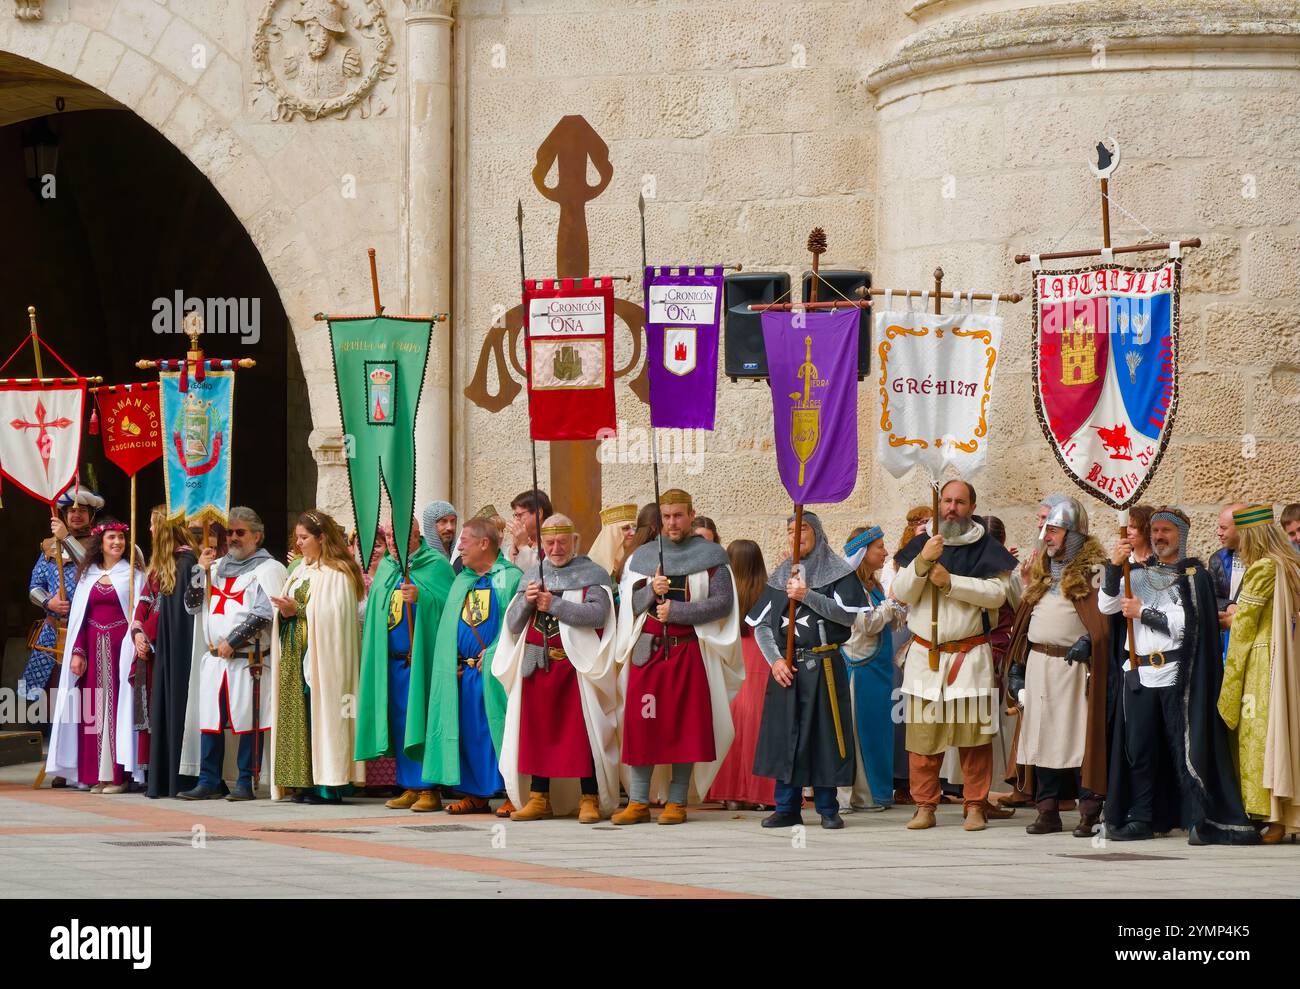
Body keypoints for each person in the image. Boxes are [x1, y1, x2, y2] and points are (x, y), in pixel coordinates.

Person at [1099, 507, 1258, 845]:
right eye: (1154, 531)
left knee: (1183, 750)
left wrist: (1143, 612)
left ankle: (1196, 818)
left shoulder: (1192, 577)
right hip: (1138, 673)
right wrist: (1115, 567)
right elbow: (1107, 606)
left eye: (1166, 531)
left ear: (1181, 535)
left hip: (1175, 673)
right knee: (1139, 750)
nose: (1159, 537)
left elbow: (1187, 626)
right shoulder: (1137, 573)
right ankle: (1141, 817)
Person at [613, 488, 743, 825]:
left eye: (678, 515)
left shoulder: (712, 556)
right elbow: (625, 604)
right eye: (667, 516)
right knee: (643, 724)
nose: (672, 522)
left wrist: (679, 610)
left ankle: (676, 801)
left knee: (686, 727)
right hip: (648, 653)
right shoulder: (641, 557)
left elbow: (722, 603)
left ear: (690, 514)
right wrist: (647, 593)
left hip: (687, 652)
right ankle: (639, 801)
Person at [893, 480, 1016, 832]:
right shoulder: (922, 545)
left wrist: (950, 582)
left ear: (972, 507)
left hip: (968, 656)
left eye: (959, 502)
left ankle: (975, 805)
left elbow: (996, 595)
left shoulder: (986, 547)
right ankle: (925, 806)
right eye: (946, 500)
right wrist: (921, 562)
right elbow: (902, 592)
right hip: (925, 658)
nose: (951, 508)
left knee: (974, 739)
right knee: (922, 740)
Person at [494, 514, 619, 823]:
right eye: (549, 542)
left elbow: (598, 614)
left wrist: (556, 605)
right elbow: (512, 624)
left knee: (582, 733)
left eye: (562, 541)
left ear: (573, 541)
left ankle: (588, 796)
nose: (556, 548)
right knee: (537, 733)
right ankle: (539, 797)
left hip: (574, 668)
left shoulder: (592, 574)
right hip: (536, 667)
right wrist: (527, 602)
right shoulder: (532, 576)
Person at [1003, 498, 1110, 836]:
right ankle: (1047, 811)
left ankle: (1089, 812)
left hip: (1074, 669)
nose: (1046, 535)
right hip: (1039, 666)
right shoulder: (1043, 574)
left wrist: (1090, 642)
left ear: (1073, 534)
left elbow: (1106, 621)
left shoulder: (1095, 574)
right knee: (1041, 738)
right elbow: (1024, 621)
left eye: (1054, 529)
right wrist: (1018, 665)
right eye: (1046, 528)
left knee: (1080, 740)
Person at [752, 513, 864, 830]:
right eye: (789, 530)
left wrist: (807, 596)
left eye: (802, 528)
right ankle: (786, 806)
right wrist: (775, 661)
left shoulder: (838, 572)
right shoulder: (779, 575)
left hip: (825, 666)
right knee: (787, 736)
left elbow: (848, 617)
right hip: (787, 670)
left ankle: (828, 808)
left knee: (825, 737)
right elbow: (761, 625)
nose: (795, 535)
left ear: (817, 533)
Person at [177, 508, 288, 801]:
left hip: (247, 660)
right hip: (215, 660)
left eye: (241, 532)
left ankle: (245, 780)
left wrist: (234, 641)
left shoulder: (269, 569)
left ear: (257, 536)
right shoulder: (214, 567)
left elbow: (264, 614)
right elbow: (191, 605)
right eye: (230, 532)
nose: (233, 538)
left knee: (247, 721)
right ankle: (209, 780)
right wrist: (199, 572)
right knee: (211, 720)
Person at [419, 517, 523, 816]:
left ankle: (512, 793)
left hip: (495, 671)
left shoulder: (510, 577)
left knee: (498, 731)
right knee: (468, 732)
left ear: (484, 543)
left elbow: (514, 625)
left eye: (465, 540)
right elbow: (449, 625)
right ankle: (476, 794)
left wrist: (492, 654)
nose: (459, 546)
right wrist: (449, 660)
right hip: (464, 673)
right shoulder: (462, 580)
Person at [356, 517, 455, 813]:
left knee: (422, 721)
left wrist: (423, 598)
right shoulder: (387, 568)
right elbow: (376, 613)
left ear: (416, 536)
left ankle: (430, 788)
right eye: (388, 540)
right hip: (393, 662)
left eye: (399, 538)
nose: (393, 547)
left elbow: (451, 609)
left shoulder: (435, 565)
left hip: (420, 660)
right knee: (400, 722)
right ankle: (409, 785)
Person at [269, 510, 364, 804]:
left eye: (304, 537)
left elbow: (335, 617)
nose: (299, 544)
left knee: (325, 716)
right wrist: (284, 611)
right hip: (296, 655)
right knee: (300, 718)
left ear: (322, 538)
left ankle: (329, 785)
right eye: (296, 538)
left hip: (325, 660)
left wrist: (296, 609)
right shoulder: (300, 571)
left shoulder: (338, 575)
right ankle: (304, 782)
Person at [1217, 505, 1300, 842]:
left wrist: (1227, 620)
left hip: (1262, 663)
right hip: (1287, 658)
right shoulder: (1291, 565)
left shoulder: (1263, 568)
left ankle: (1270, 816)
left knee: (1258, 740)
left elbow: (1245, 627)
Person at [44, 518, 146, 792]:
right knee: (92, 712)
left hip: (120, 652)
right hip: (90, 651)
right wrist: (77, 651)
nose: (117, 543)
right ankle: (93, 775)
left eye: (121, 538)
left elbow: (139, 615)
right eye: (111, 538)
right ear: (100, 543)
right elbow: (81, 617)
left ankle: (116, 776)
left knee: (117, 712)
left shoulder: (134, 575)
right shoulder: (87, 576)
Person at [22, 486, 103, 759]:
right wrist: (48, 602)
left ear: (92, 515)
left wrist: (67, 538)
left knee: (87, 696)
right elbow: (34, 587)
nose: (76, 514)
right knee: (42, 694)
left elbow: (89, 569)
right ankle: (54, 756)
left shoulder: (100, 544)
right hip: (54, 629)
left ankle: (84, 755)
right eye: (71, 510)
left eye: (82, 510)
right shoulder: (49, 546)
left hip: (87, 630)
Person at [838, 525, 907, 813]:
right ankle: (859, 796)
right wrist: (892, 605)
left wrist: (894, 609)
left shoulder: (873, 586)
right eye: (880, 546)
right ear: (864, 552)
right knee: (860, 732)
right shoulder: (849, 586)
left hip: (877, 670)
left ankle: (877, 793)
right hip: (860, 669)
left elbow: (886, 620)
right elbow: (865, 624)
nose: (886, 551)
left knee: (878, 732)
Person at [131, 507, 200, 798]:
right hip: (160, 649)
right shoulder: (165, 565)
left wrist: (148, 632)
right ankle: (161, 777)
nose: (149, 530)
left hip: (177, 653)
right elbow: (151, 602)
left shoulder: (186, 564)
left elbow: (180, 614)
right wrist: (138, 631)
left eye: (152, 525)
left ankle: (177, 777)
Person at [706, 539, 777, 810]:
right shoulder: (769, 591)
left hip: (732, 654)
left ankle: (729, 791)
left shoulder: (723, 592)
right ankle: (761, 791)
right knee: (760, 724)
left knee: (730, 721)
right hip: (761, 656)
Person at [1211, 502, 1249, 654]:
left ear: (1241, 528)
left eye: (1224, 528)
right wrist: (1229, 605)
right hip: (1228, 638)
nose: (1218, 532)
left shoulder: (1266, 560)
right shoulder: (1217, 559)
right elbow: (1212, 597)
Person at [588, 503, 638, 581]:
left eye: (634, 527)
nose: (633, 533)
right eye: (625, 528)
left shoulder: (638, 559)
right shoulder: (595, 568)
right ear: (612, 534)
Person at [506, 489, 551, 574]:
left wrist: (522, 545)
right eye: (515, 515)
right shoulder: (520, 544)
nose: (516, 521)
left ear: (539, 513)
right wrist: (514, 547)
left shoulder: (553, 544)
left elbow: (539, 576)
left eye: (519, 515)